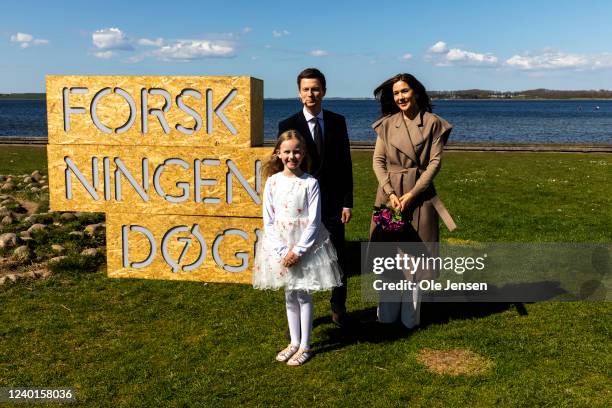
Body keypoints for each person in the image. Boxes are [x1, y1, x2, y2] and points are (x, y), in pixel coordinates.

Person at [370, 73, 456, 329]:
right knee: (388, 254)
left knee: (415, 257)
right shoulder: (386, 124)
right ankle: (387, 309)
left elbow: (434, 163)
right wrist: (390, 193)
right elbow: (378, 161)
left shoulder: (434, 124)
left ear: (416, 92)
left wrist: (412, 194)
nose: (400, 97)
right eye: (396, 93)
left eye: (405, 91)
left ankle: (411, 313)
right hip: (389, 196)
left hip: (419, 196)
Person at [252, 130, 343, 366]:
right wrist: (283, 252)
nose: (292, 156)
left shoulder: (310, 183)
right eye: (287, 152)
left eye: (296, 151)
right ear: (278, 154)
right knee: (289, 294)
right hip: (279, 245)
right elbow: (268, 220)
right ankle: (293, 342)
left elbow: (314, 221)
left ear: (303, 154)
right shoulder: (272, 182)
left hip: (305, 246)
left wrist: (298, 251)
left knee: (303, 294)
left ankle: (305, 345)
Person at [278, 68, 353, 326]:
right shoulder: (287, 125)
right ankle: (302, 311)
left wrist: (347, 201)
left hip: (333, 203)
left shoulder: (337, 121)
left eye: (316, 88)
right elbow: (283, 167)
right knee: (300, 257)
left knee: (338, 256)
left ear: (324, 91)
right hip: (299, 206)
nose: (311, 93)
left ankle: (338, 306)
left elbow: (345, 163)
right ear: (299, 94)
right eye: (306, 89)